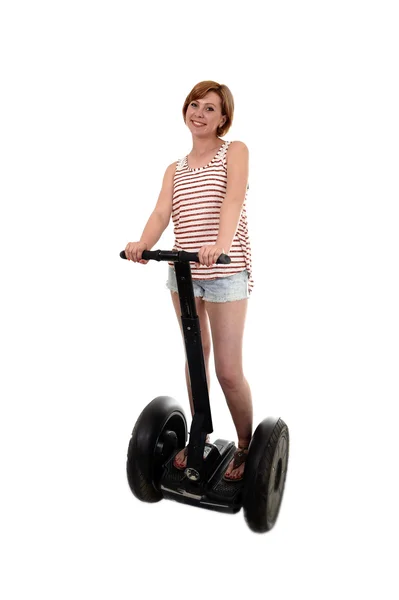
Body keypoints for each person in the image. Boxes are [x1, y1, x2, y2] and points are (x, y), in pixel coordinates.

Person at [124, 80, 254, 481]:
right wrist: (143, 243)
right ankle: (200, 437)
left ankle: (247, 446)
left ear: (223, 119)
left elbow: (233, 198)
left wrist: (221, 244)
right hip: (182, 271)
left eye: (210, 108)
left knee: (228, 371)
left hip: (224, 270)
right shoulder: (174, 168)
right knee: (195, 359)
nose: (199, 112)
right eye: (194, 105)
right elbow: (163, 212)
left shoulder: (234, 151)